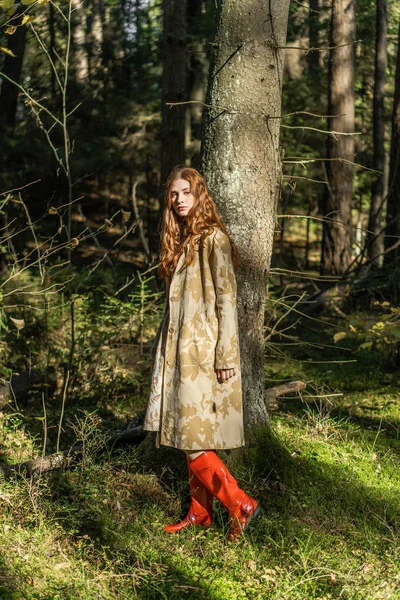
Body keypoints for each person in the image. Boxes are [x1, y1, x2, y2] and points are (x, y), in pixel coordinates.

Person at [143, 166, 260, 540]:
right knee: (189, 436)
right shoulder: (184, 241)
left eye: (186, 193)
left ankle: (240, 503)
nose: (179, 200)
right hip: (180, 352)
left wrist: (227, 355)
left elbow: (227, 299)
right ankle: (200, 513)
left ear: (200, 196)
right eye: (174, 194)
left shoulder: (213, 239)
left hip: (204, 353)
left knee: (193, 440)